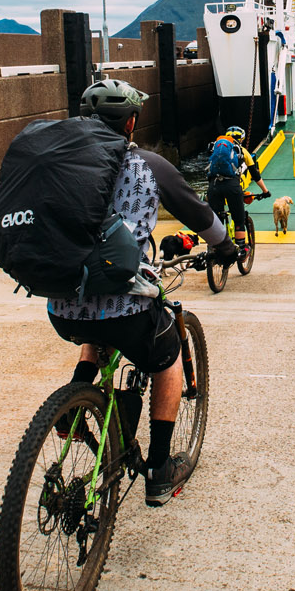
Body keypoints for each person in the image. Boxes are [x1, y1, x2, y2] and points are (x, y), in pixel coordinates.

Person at [50, 79, 235, 506]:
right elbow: (199, 214)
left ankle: (74, 400)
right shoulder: (147, 164)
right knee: (166, 357)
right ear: (130, 122)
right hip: (126, 306)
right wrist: (225, 246)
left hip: (62, 304)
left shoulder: (62, 162)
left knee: (95, 321)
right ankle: (158, 469)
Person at [205, 125, 267, 238]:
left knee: (216, 221)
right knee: (239, 220)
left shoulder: (215, 149)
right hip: (232, 186)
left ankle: (214, 246)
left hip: (214, 186)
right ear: (241, 139)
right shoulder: (242, 151)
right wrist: (265, 191)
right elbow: (255, 174)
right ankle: (241, 246)